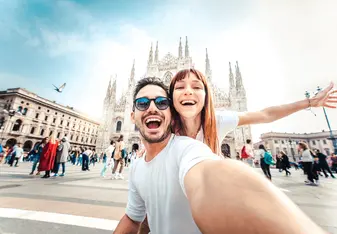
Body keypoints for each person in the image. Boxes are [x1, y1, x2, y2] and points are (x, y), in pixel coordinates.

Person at [114, 77, 325, 234]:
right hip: (170, 190)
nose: (188, 92)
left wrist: (307, 103)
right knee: (148, 219)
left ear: (207, 95)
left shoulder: (215, 121)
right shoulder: (169, 125)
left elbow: (264, 115)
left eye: (197, 87)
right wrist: (146, 152)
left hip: (202, 183)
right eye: (180, 88)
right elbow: (132, 217)